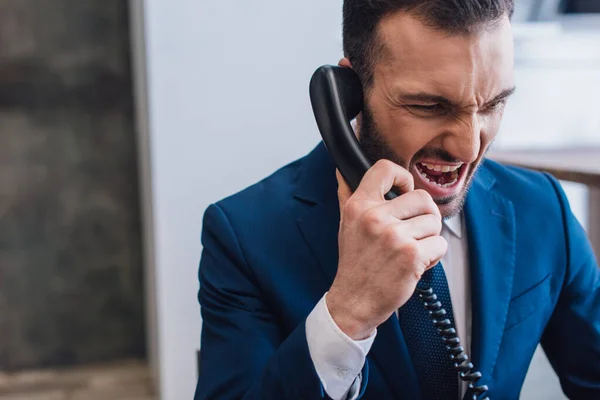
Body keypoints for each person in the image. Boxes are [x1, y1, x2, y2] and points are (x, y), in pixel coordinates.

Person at [193, 1, 600, 399]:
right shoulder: (243, 235)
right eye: (430, 106)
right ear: (350, 91)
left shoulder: (543, 208)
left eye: (493, 104)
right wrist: (349, 312)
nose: (469, 145)